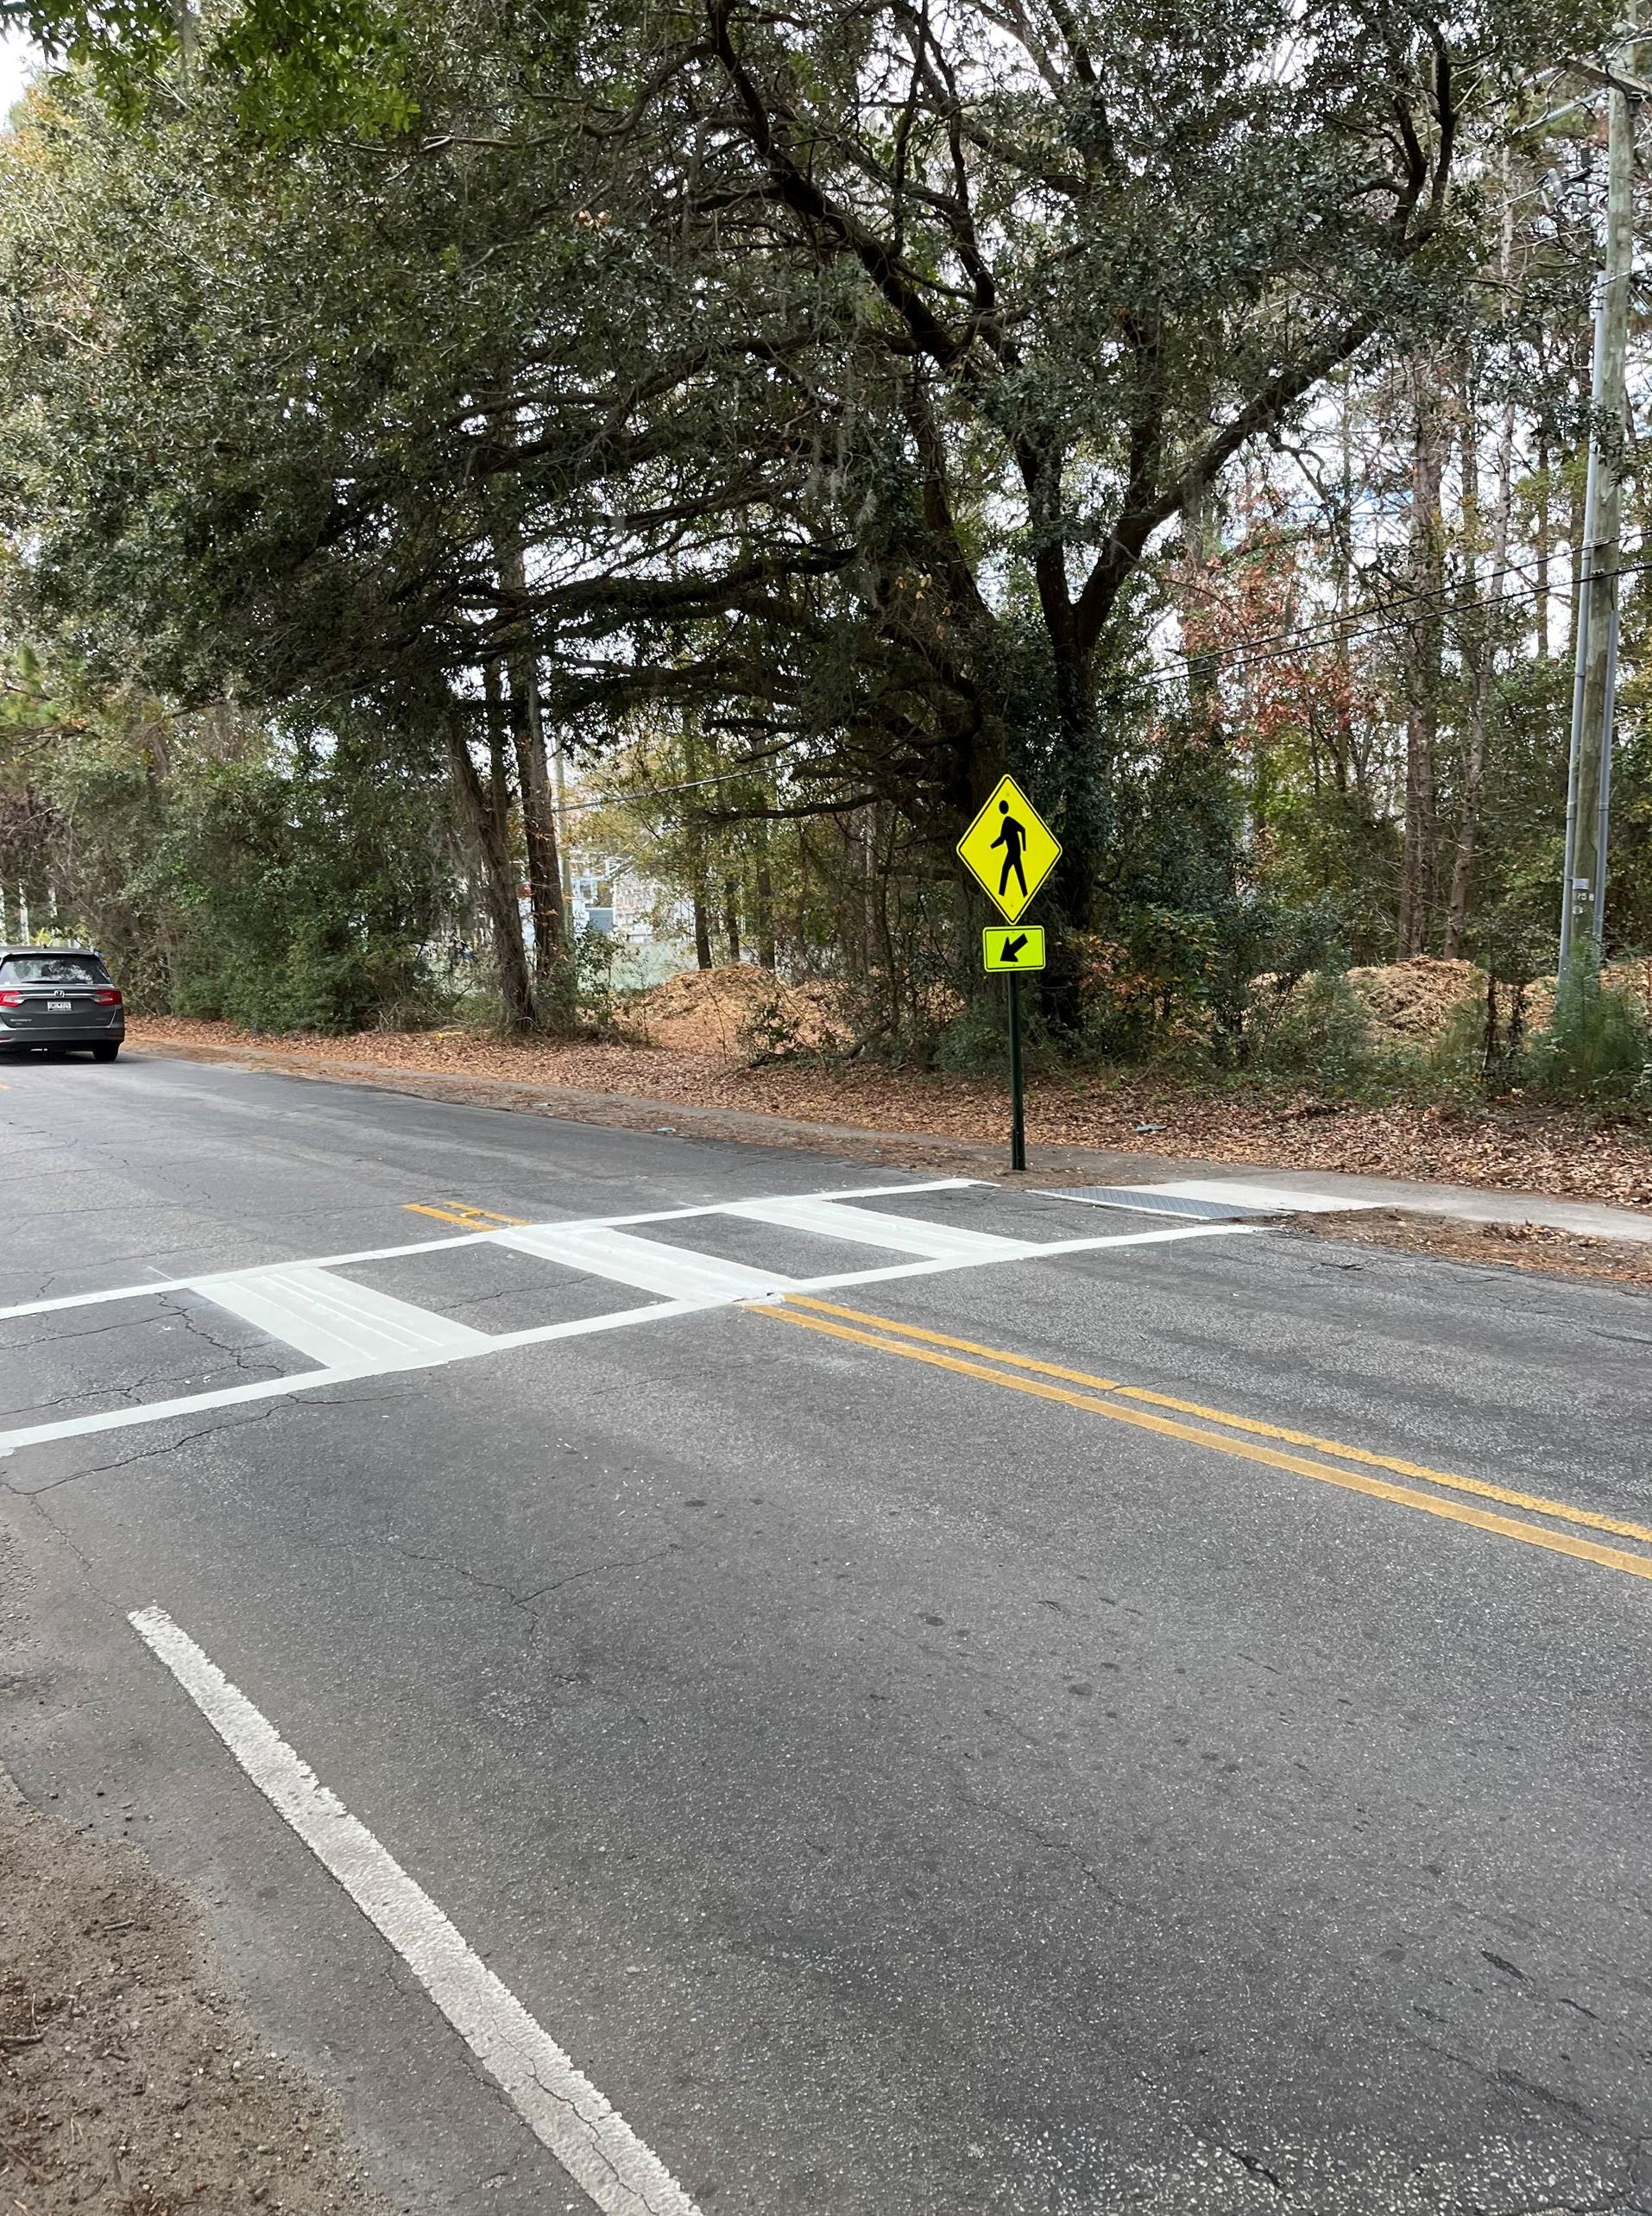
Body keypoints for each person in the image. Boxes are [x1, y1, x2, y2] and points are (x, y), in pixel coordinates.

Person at [989, 798, 1029, 901]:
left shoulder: (1009, 820)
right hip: (1012, 851)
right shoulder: (1005, 822)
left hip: (1015, 851)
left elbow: (1023, 829)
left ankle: (1001, 893)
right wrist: (991, 846)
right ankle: (1023, 893)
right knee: (1018, 872)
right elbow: (1002, 839)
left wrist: (1024, 847)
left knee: (1006, 869)